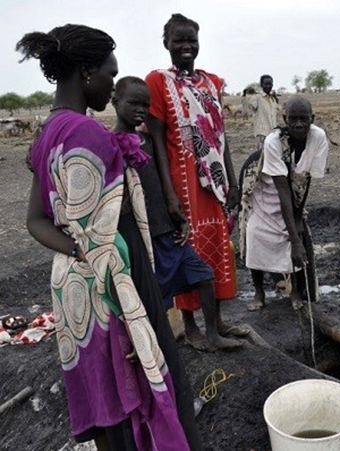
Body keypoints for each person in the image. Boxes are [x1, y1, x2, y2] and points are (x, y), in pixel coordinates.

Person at [19, 25, 201, 450]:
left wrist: (77, 251)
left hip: (74, 285)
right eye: (109, 74)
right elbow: (104, 239)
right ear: (86, 72)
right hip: (115, 282)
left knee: (109, 397)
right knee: (150, 380)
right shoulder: (88, 135)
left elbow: (36, 221)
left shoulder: (48, 133)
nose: (111, 84)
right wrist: (130, 317)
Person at [112, 76, 246, 351]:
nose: (140, 110)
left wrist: (179, 218)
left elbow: (164, 182)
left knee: (204, 276)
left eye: (145, 105)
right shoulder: (111, 146)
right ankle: (159, 346)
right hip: (145, 236)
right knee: (156, 297)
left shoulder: (147, 140)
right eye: (133, 103)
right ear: (115, 103)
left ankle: (212, 334)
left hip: (168, 229)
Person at [145, 14, 247, 349]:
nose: (186, 46)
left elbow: (220, 137)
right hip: (182, 180)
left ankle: (216, 321)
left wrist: (231, 180)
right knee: (189, 250)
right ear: (167, 44)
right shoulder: (157, 82)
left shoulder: (212, 82)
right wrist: (169, 194)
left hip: (213, 182)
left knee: (217, 245)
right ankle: (190, 326)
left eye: (191, 40)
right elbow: (158, 141)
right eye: (179, 40)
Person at [239, 96, 327, 311]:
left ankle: (294, 292)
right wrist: (296, 240)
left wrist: (297, 218)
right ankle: (259, 293)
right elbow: (282, 189)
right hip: (265, 190)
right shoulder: (273, 141)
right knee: (256, 235)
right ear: (285, 119)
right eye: (293, 119)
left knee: (290, 237)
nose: (299, 124)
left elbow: (305, 181)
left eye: (304, 119)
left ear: (312, 118)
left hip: (292, 192)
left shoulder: (318, 137)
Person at [242, 74, 280, 151]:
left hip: (273, 133)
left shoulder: (272, 99)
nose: (268, 86)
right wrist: (246, 96)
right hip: (262, 134)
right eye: (266, 84)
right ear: (262, 85)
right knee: (261, 157)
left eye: (270, 84)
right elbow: (248, 108)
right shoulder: (257, 97)